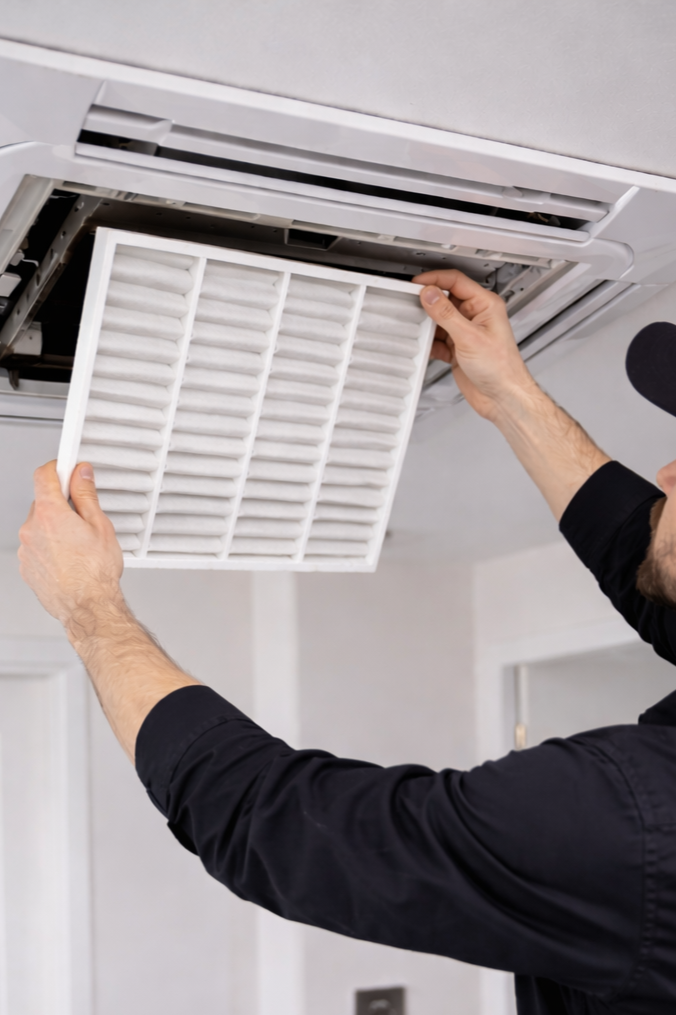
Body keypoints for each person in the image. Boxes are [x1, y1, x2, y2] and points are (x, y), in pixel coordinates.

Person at [17, 270, 676, 1015]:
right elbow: (644, 560)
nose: (667, 472)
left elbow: (277, 825)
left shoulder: (638, 819)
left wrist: (90, 611)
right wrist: (508, 394)